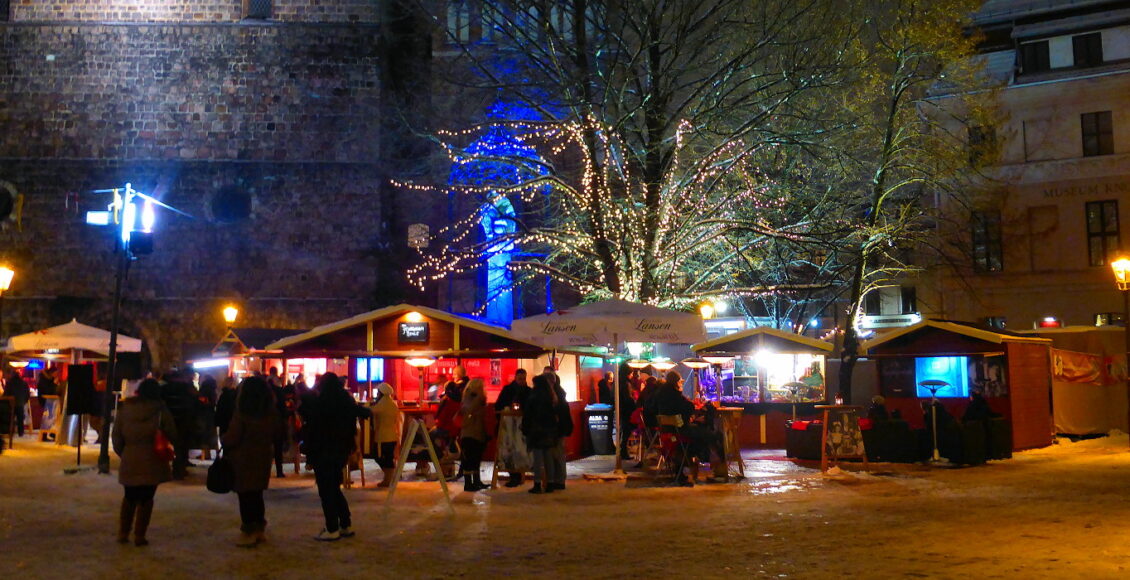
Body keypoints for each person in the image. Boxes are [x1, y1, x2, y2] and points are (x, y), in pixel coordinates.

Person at [301, 372, 371, 541]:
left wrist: (309, 453)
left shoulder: (321, 403)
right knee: (334, 487)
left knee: (327, 490)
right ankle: (345, 524)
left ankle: (332, 527)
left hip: (323, 450)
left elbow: (313, 430)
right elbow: (364, 412)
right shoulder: (345, 400)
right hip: (341, 450)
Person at [112, 378, 177, 547]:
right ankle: (140, 535)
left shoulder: (125, 409)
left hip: (131, 457)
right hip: (153, 458)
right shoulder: (160, 410)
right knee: (147, 499)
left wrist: (125, 453)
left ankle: (123, 532)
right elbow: (171, 432)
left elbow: (117, 436)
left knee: (129, 497)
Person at [222, 376, 278, 547]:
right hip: (262, 456)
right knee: (257, 493)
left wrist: (224, 439)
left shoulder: (243, 414)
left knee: (245, 495)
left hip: (243, 457)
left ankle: (249, 530)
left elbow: (232, 437)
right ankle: (260, 528)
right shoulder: (270, 412)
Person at [522, 374, 560, 494]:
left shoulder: (533, 396)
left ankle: (537, 484)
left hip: (537, 431)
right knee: (548, 458)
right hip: (549, 431)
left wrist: (525, 428)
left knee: (537, 459)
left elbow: (528, 414)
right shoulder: (551, 396)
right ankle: (550, 483)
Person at [494, 369, 531, 487]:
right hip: (509, 426)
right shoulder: (508, 390)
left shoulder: (528, 391)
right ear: (515, 378)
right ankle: (514, 475)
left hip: (522, 426)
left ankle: (519, 474)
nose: (522, 381)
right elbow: (499, 405)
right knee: (510, 450)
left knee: (521, 451)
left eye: (524, 378)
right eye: (520, 378)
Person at [160, 370, 198, 479]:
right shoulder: (187, 389)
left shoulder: (165, 389)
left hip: (169, 420)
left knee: (167, 444)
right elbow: (194, 403)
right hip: (184, 421)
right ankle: (179, 469)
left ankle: (166, 468)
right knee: (181, 445)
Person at [368, 382, 402, 488]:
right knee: (388, 457)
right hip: (392, 435)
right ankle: (389, 477)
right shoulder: (392, 403)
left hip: (383, 436)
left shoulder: (383, 404)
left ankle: (388, 478)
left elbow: (371, 411)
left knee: (380, 457)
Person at [459, 378, 490, 492]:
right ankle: (469, 483)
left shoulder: (472, 397)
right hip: (471, 432)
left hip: (475, 432)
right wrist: (479, 399)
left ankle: (476, 481)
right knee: (470, 459)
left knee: (475, 458)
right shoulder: (472, 397)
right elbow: (469, 411)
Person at [616, 363, 637, 461]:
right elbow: (628, 399)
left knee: (624, 431)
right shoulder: (626, 384)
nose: (632, 375)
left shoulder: (618, 382)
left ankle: (623, 450)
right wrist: (635, 405)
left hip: (621, 409)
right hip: (627, 411)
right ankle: (624, 451)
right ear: (628, 373)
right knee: (626, 431)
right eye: (631, 373)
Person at [3, 368, 30, 437]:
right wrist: (24, 401)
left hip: (11, 403)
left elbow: (6, 393)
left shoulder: (9, 383)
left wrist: (6, 400)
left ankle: (10, 432)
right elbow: (27, 394)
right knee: (20, 419)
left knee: (11, 418)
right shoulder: (24, 383)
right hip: (20, 403)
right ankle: (21, 432)